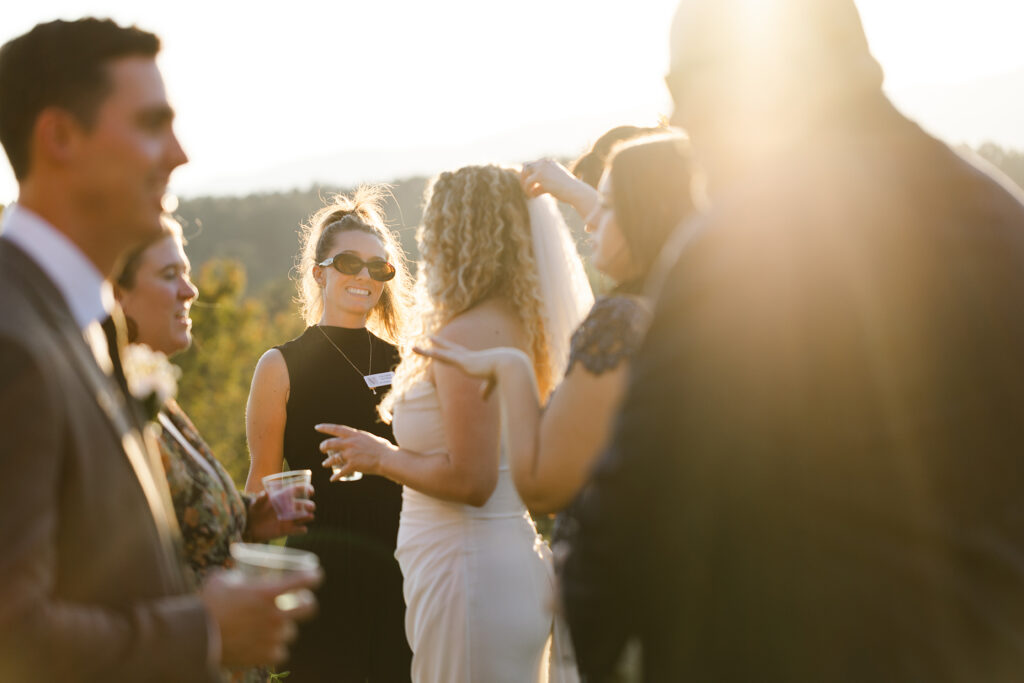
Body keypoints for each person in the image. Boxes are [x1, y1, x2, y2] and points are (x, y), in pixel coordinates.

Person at [560, 0, 1024, 681]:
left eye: (682, 89)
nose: (680, 121)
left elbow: (624, 528)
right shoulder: (1002, 224)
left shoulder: (746, 242)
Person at [0, 18, 318, 681]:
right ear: (58, 137)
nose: (179, 153)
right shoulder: (13, 339)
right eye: (151, 123)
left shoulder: (83, 321)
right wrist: (202, 630)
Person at [318, 164, 591, 682]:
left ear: (458, 232)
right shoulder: (514, 323)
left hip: (470, 578)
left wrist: (381, 457)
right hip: (494, 568)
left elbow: (473, 479)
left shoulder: (467, 335)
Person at [418, 134, 693, 514]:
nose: (591, 219)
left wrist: (510, 366)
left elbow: (541, 489)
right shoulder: (679, 312)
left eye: (608, 205)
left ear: (647, 214)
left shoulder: (617, 321)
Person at [113, 217, 317, 682]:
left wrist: (249, 517)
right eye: (169, 276)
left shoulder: (155, 395)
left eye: (186, 273)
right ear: (115, 292)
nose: (191, 291)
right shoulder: (103, 408)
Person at [245, 188, 413, 682]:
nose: (364, 276)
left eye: (378, 268)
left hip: (401, 568)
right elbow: (261, 482)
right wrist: (254, 593)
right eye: (349, 262)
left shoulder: (406, 364)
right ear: (320, 271)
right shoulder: (279, 366)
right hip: (318, 576)